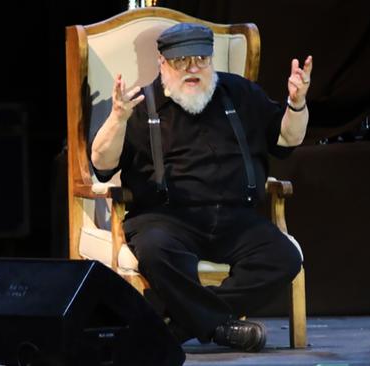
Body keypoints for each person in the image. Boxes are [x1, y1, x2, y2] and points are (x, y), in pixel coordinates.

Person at [90, 22, 312, 352]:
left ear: (211, 60)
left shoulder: (239, 93)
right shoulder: (140, 104)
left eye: (201, 59)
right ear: (162, 62)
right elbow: (102, 165)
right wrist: (118, 119)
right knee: (155, 251)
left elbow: (287, 140)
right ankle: (220, 327)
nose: (193, 68)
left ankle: (176, 328)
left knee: (284, 256)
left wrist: (296, 104)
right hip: (166, 219)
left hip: (235, 219)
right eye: (182, 61)